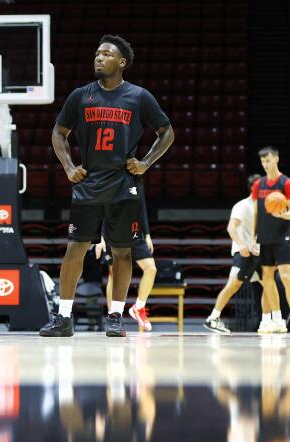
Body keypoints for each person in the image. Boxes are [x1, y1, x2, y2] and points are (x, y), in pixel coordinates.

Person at [41, 35, 174, 338]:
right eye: (97, 53)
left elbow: (166, 132)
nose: (98, 58)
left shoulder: (139, 97)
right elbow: (59, 132)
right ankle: (63, 317)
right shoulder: (80, 96)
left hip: (124, 185)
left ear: (122, 62)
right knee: (75, 249)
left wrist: (146, 162)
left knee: (123, 253)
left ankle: (115, 316)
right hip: (88, 184)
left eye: (106, 54)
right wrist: (69, 167)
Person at [252, 146, 290, 334]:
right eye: (262, 161)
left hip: (282, 235)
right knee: (267, 279)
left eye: (268, 160)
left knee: (284, 275)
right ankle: (276, 319)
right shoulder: (258, 184)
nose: (265, 164)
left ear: (276, 159)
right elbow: (256, 214)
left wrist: (281, 213)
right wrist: (252, 238)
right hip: (264, 236)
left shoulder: (287, 183)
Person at [204, 175, 263, 334]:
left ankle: (267, 321)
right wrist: (242, 245)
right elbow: (231, 228)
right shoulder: (243, 206)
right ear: (253, 188)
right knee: (232, 286)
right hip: (243, 253)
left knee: (269, 286)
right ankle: (213, 318)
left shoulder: (263, 206)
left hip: (257, 253)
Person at [96, 198, 156, 331]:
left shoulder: (136, 178)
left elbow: (142, 206)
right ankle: (113, 317)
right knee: (114, 275)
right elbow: (100, 206)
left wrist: (146, 234)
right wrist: (99, 236)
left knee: (151, 268)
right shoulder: (109, 180)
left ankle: (138, 307)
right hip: (112, 230)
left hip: (134, 230)